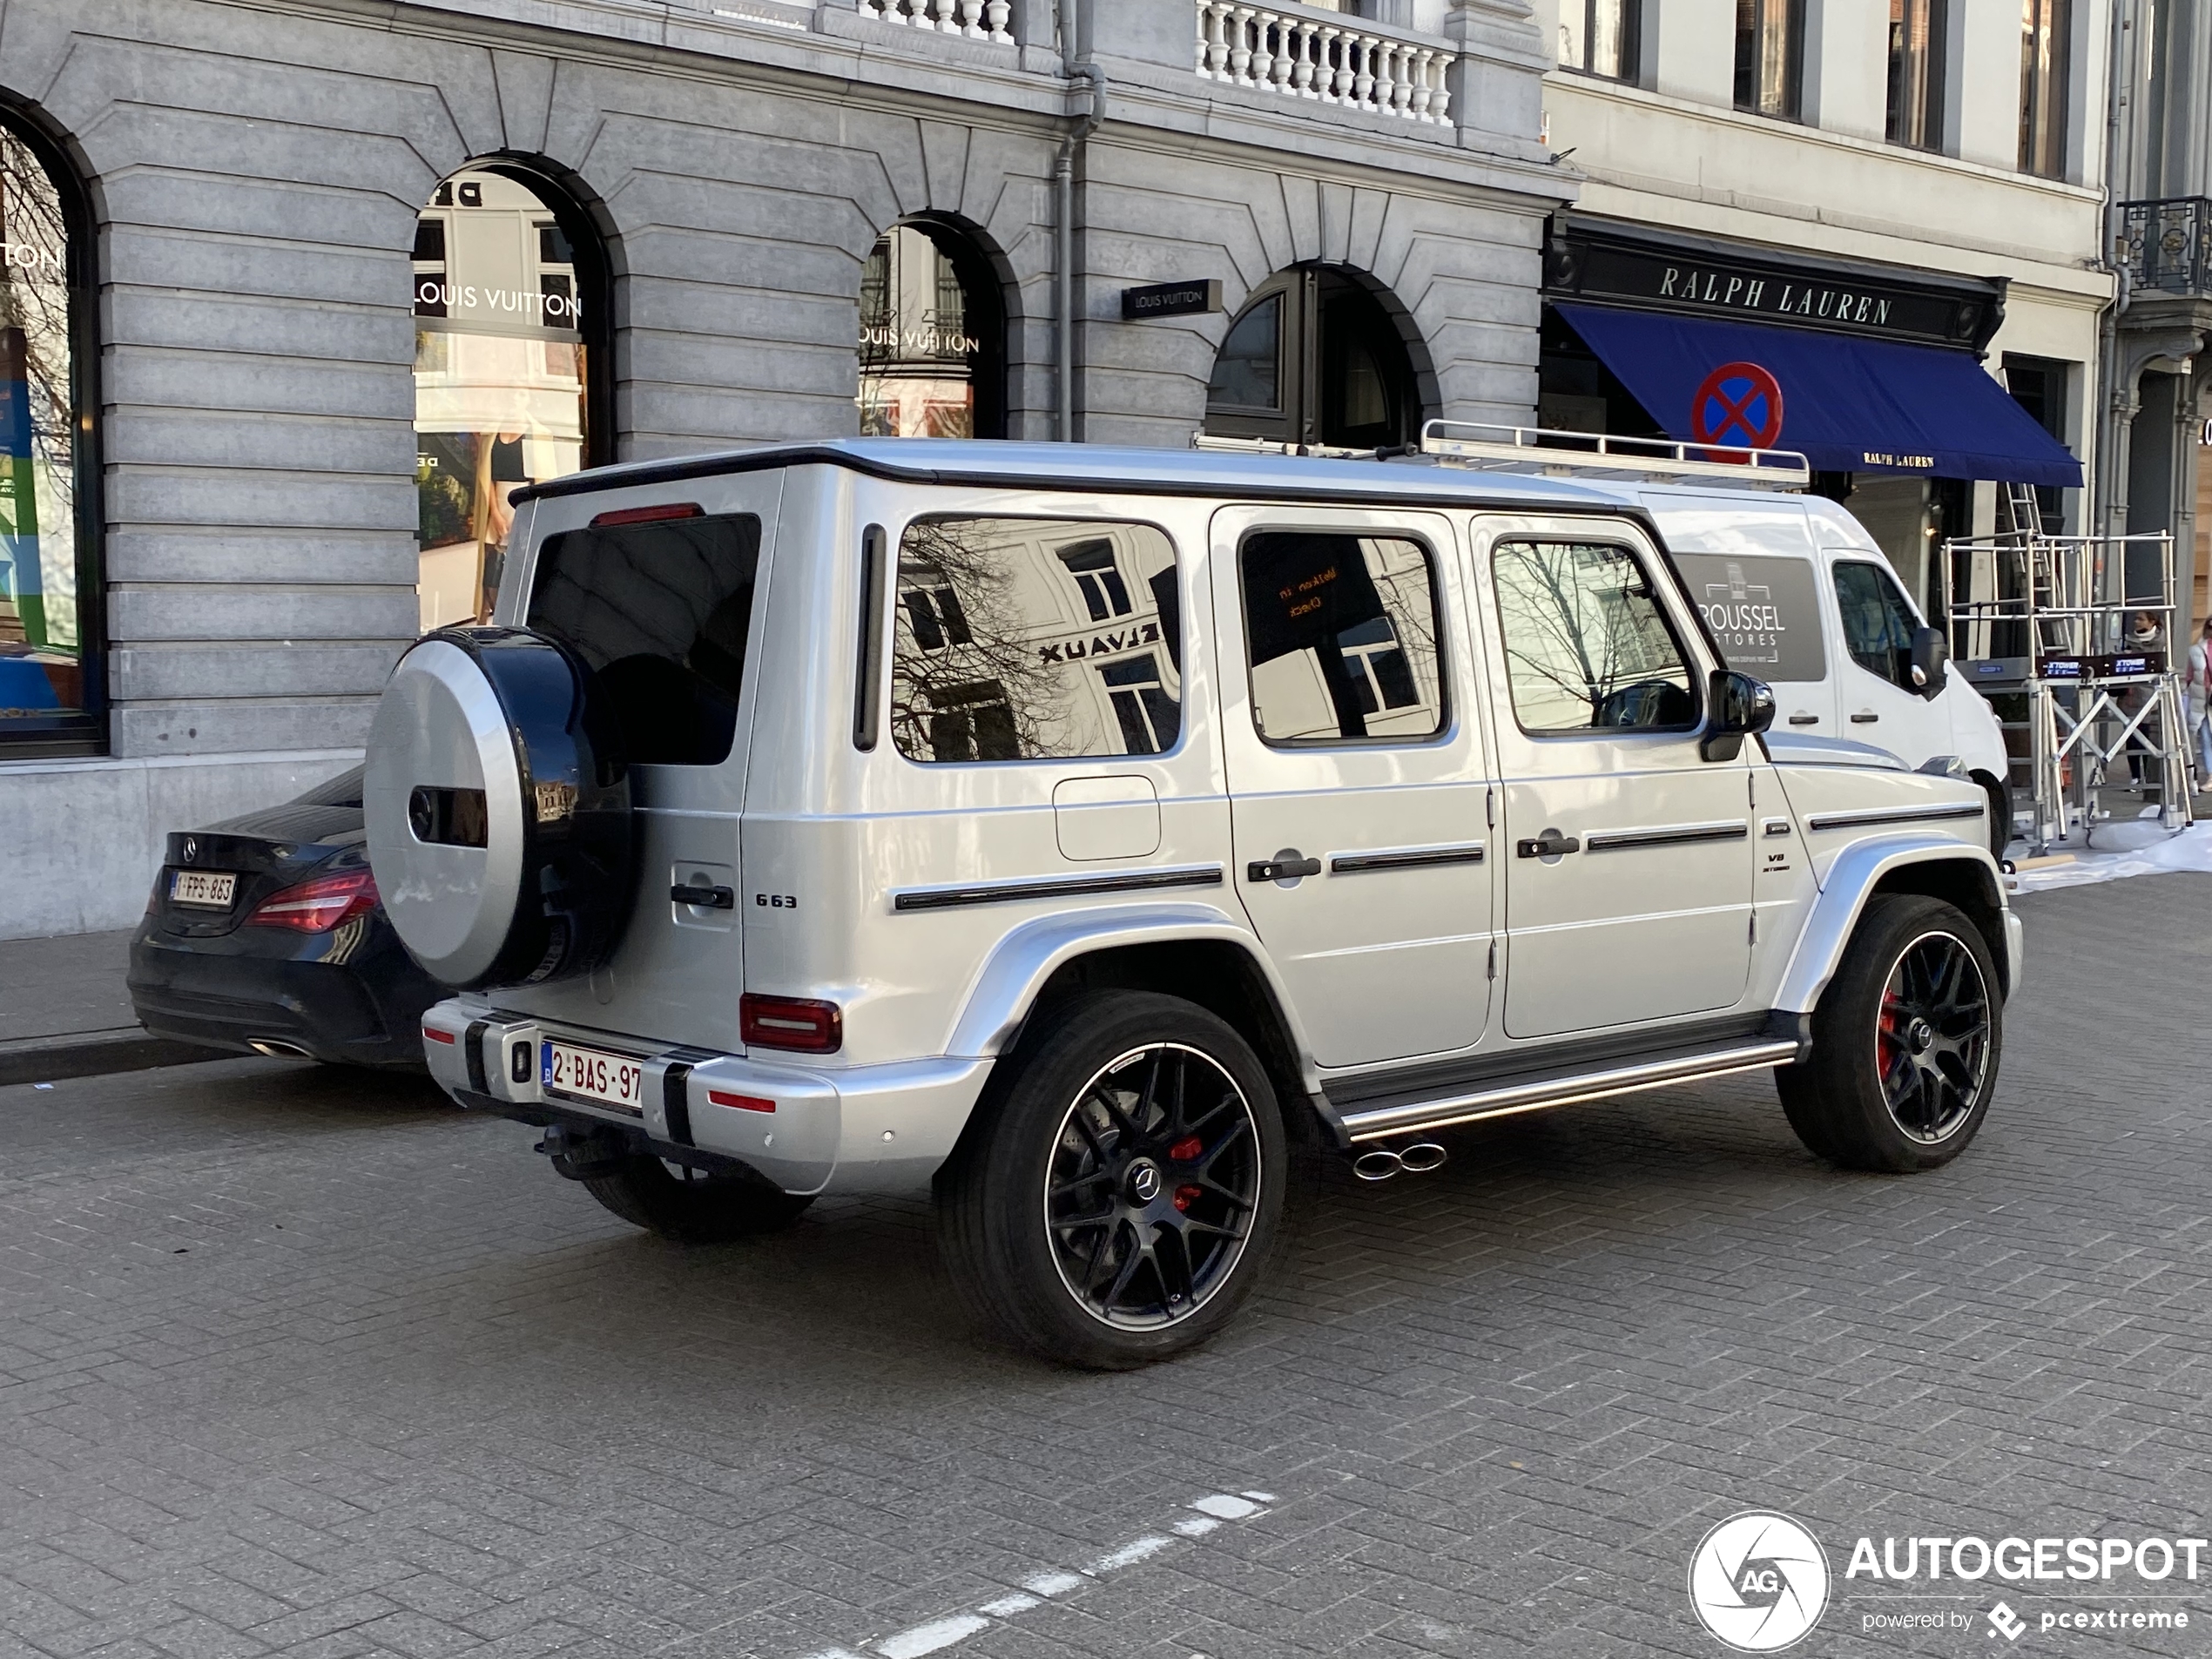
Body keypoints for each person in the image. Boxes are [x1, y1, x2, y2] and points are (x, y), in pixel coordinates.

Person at [2188, 617, 2212, 790]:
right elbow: (2190, 676)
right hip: (2203, 700)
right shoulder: (2196, 650)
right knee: (2205, 738)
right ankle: (2211, 776)